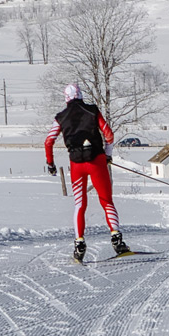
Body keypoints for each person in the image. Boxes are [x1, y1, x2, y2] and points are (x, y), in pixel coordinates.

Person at [45, 83, 132, 262]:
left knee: (79, 204)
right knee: (106, 201)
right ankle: (117, 240)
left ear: (66, 98)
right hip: (97, 161)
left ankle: (79, 244)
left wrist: (51, 164)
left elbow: (48, 141)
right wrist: (107, 155)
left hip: (76, 164)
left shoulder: (60, 117)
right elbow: (108, 134)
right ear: (81, 95)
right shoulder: (92, 111)